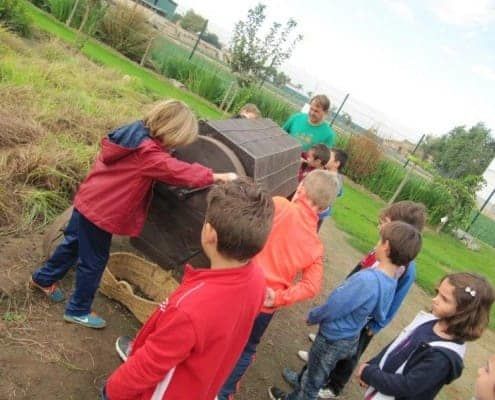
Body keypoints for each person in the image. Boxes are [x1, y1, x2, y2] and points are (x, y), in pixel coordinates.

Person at [29, 100, 237, 329]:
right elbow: (178, 171)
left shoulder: (134, 133)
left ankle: (43, 279)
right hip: (103, 212)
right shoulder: (148, 154)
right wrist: (217, 176)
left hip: (89, 198)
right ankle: (78, 309)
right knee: (94, 262)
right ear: (170, 131)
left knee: (74, 243)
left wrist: (166, 150)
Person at [102, 179, 274, 400]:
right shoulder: (257, 279)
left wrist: (112, 390)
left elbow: (149, 365)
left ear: (209, 233)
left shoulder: (190, 309)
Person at [217, 170, 339, 400]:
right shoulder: (315, 246)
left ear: (301, 187)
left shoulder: (279, 205)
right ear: (323, 209)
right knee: (247, 348)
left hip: (237, 285)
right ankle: (222, 393)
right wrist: (280, 297)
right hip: (265, 304)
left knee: (215, 329)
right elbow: (312, 286)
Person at [269, 221, 423, 400]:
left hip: (332, 337)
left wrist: (314, 315)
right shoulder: (392, 281)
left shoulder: (367, 280)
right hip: (351, 337)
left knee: (311, 382)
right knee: (316, 375)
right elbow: (381, 313)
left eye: (380, 240)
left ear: (387, 246)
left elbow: (336, 306)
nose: (377, 244)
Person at [357, 272, 495, 400]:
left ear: (464, 312)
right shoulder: (429, 320)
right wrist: (373, 364)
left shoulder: (443, 358)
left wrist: (370, 374)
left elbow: (407, 387)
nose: (435, 300)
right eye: (437, 293)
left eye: (444, 299)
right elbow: (397, 344)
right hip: (379, 388)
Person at [317, 148, 348, 230]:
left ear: (337, 163)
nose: (326, 157)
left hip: (317, 213)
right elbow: (340, 193)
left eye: (330, 157)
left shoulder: (334, 180)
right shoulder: (328, 173)